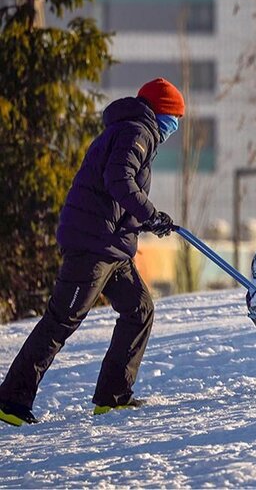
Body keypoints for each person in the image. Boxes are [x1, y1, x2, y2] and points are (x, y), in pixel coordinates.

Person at [0, 79, 184, 426]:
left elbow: (112, 192)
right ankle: (10, 401)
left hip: (111, 246)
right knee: (61, 321)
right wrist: (150, 213)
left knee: (139, 310)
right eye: (175, 118)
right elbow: (119, 180)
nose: (176, 127)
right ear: (163, 112)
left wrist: (146, 221)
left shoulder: (131, 130)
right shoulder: (137, 131)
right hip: (93, 246)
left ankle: (112, 398)